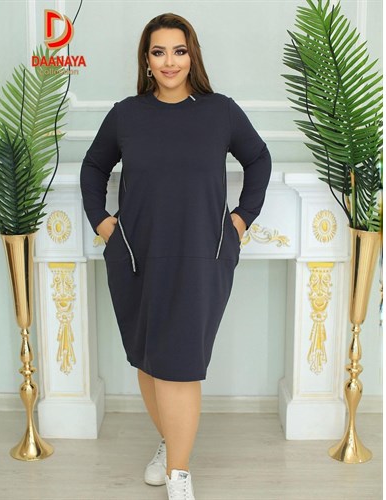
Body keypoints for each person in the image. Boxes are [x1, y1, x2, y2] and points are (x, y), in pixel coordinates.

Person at [80, 12, 272, 500]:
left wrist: (241, 219)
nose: (170, 61)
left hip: (201, 256)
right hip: (136, 255)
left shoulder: (220, 112)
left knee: (180, 362)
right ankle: (171, 443)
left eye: (179, 51)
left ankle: (178, 474)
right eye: (159, 51)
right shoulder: (126, 114)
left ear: (193, 56)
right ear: (146, 60)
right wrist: (102, 221)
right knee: (148, 359)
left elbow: (258, 158)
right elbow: (94, 165)